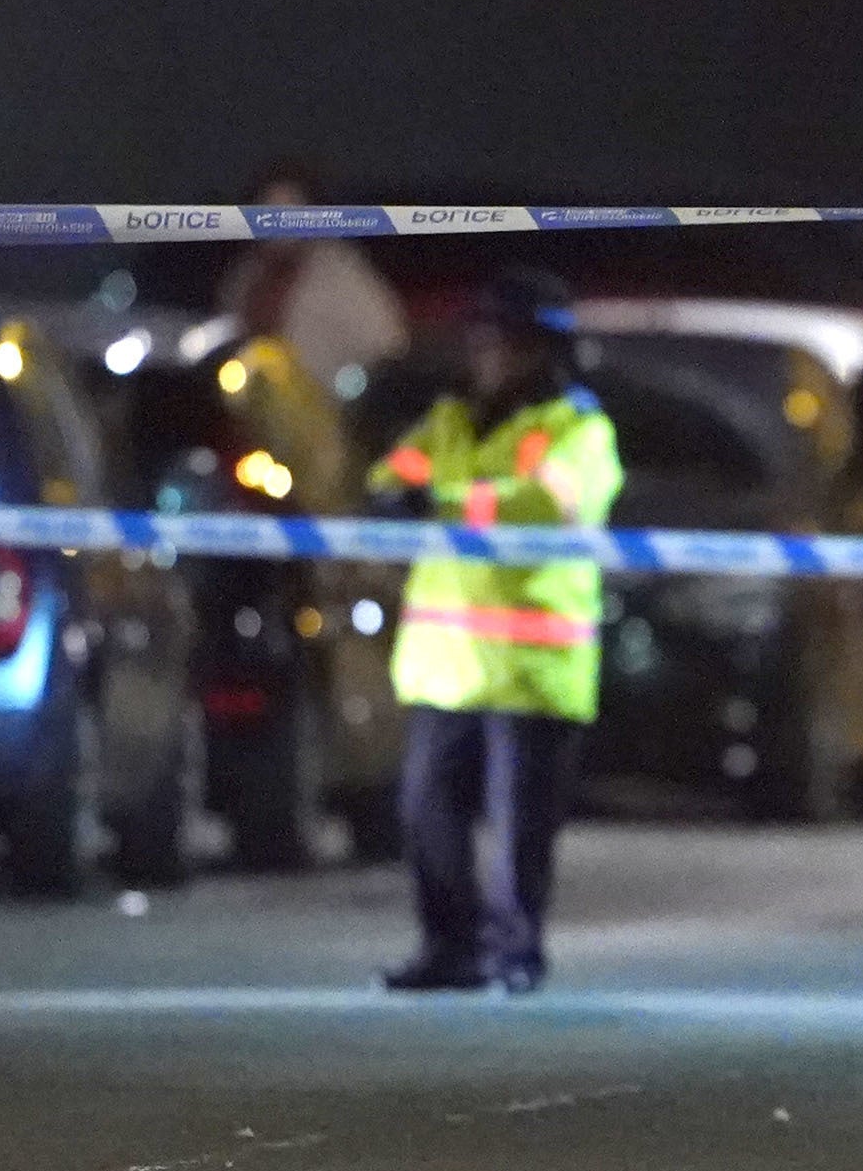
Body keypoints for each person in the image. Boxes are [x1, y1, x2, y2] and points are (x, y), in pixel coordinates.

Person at [366, 266, 623, 994]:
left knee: (520, 832)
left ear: (541, 348)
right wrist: (398, 496)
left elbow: (553, 504)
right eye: (479, 336)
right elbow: (391, 478)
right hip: (447, 661)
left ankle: (516, 952)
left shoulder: (578, 427)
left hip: (531, 665)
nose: (484, 351)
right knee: (424, 813)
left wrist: (444, 501)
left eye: (499, 338)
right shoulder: (449, 419)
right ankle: (449, 947)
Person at [217, 164, 410, 397]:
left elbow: (388, 343)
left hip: (331, 408)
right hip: (257, 409)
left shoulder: (340, 273)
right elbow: (231, 336)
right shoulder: (246, 277)